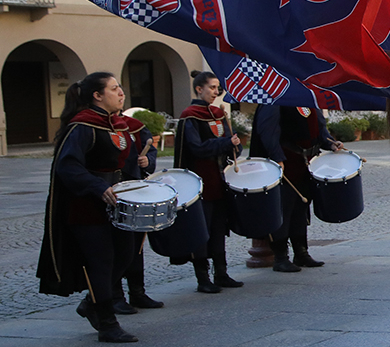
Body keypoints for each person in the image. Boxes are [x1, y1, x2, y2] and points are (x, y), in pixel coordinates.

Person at [36, 73, 144, 343]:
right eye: (114, 88)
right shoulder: (83, 125)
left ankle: (91, 303)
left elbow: (126, 161)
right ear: (97, 95)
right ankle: (107, 323)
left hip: (117, 203)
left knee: (125, 255)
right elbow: (68, 166)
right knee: (101, 261)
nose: (121, 92)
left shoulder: (115, 124)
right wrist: (96, 187)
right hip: (87, 206)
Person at [174, 71, 244, 292]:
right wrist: (225, 143)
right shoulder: (190, 116)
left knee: (218, 228)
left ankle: (221, 273)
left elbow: (230, 146)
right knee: (201, 229)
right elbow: (196, 148)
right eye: (212, 88)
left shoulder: (219, 113)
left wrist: (235, 145)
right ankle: (203, 278)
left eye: (217, 88)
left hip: (219, 181)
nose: (216, 92)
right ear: (198, 89)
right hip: (199, 181)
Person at [250, 104, 341, 272]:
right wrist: (277, 157)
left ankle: (301, 252)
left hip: (306, 163)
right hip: (286, 163)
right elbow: (268, 130)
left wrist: (331, 143)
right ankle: (280, 257)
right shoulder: (275, 99)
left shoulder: (307, 97)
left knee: (301, 209)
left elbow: (319, 128)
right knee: (284, 209)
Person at [110, 120, 160, 315]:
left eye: (121, 91)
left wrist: (148, 161)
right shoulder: (98, 127)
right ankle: (115, 296)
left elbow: (150, 150)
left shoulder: (134, 126)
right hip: (114, 190)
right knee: (117, 246)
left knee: (136, 243)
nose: (120, 95)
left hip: (135, 189)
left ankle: (137, 292)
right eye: (115, 90)